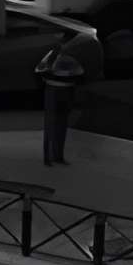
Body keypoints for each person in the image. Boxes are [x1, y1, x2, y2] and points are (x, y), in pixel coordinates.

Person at [36, 35, 92, 167]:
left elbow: (79, 72)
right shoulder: (54, 56)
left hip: (61, 90)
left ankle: (55, 157)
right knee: (54, 123)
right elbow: (41, 70)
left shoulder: (66, 57)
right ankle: (51, 157)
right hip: (57, 90)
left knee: (59, 124)